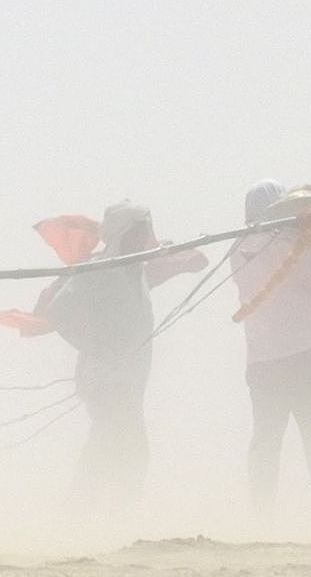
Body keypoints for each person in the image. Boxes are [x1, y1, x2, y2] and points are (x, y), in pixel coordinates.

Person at [46, 202, 206, 509]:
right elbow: (60, 310)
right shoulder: (100, 270)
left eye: (146, 231)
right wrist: (93, 343)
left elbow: (195, 261)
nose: (144, 238)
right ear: (121, 234)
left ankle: (92, 515)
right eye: (138, 232)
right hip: (105, 377)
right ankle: (95, 515)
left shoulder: (137, 271)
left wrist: (178, 255)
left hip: (128, 378)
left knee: (112, 446)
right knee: (122, 446)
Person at [233, 181, 311, 526]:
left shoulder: (238, 248)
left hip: (263, 363)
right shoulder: (288, 243)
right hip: (305, 357)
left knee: (266, 443)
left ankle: (261, 518)